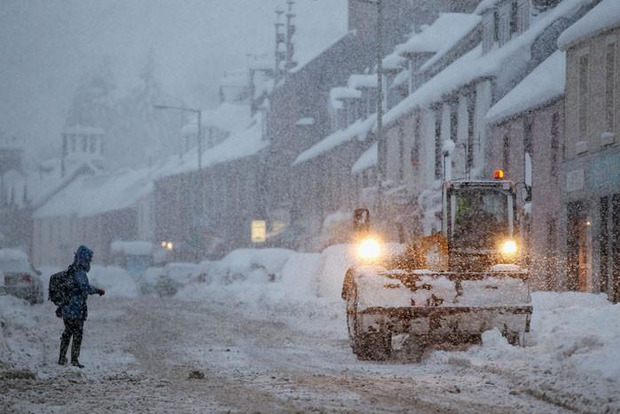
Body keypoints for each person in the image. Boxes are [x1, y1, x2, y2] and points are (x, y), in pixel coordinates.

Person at [56, 245, 105, 368]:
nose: (90, 262)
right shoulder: (79, 272)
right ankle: (74, 360)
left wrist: (61, 307)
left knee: (67, 332)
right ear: (85, 259)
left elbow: (66, 291)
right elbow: (85, 287)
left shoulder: (71, 270)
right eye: (89, 259)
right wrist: (97, 290)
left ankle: (62, 358)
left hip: (68, 307)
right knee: (77, 334)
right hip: (75, 308)